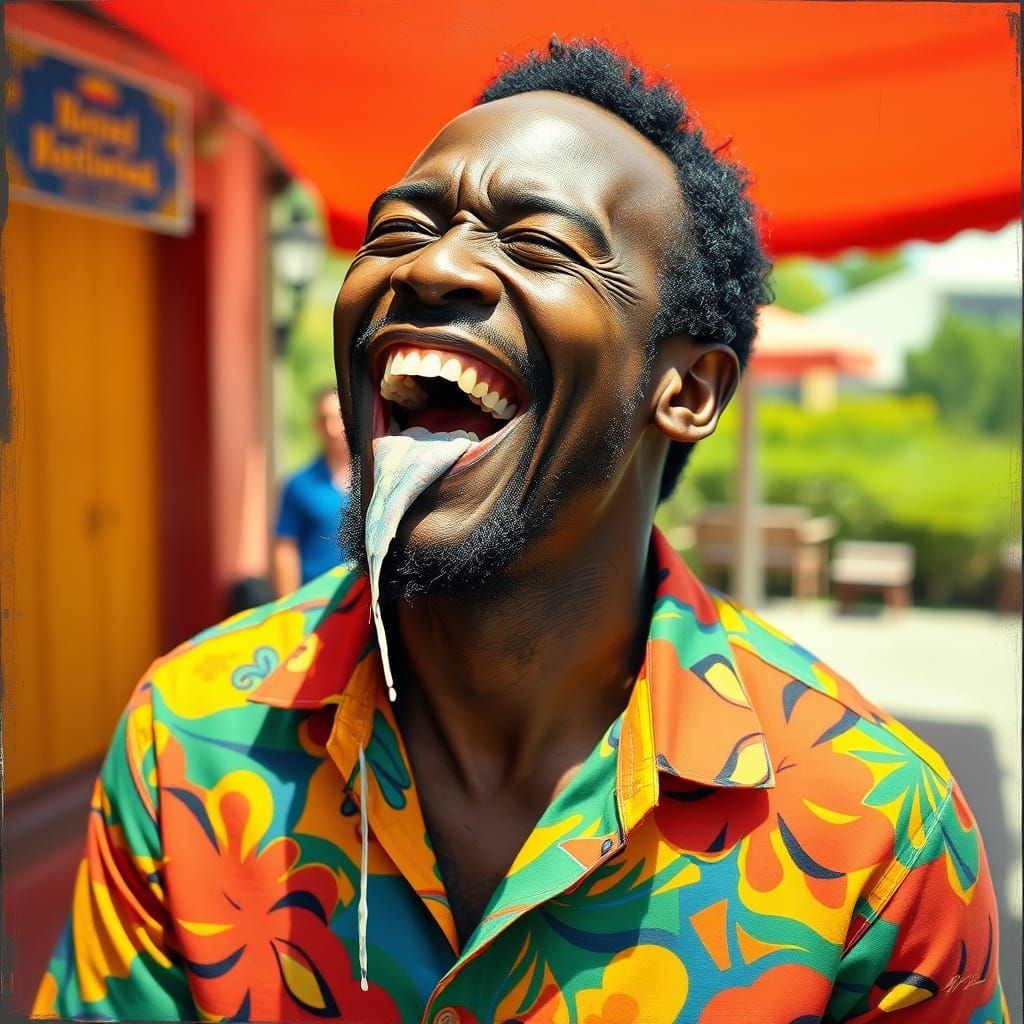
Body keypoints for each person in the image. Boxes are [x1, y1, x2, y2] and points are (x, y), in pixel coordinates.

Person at [35, 39, 1006, 1023]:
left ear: (686, 389)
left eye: (539, 244)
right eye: (399, 227)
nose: (438, 262)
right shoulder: (192, 740)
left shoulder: (878, 831)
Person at [272, 385, 351, 595]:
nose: (331, 428)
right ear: (315, 425)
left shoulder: (375, 480)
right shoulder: (299, 484)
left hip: (367, 606)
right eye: (323, 419)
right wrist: (289, 610)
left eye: (338, 418)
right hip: (315, 605)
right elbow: (285, 549)